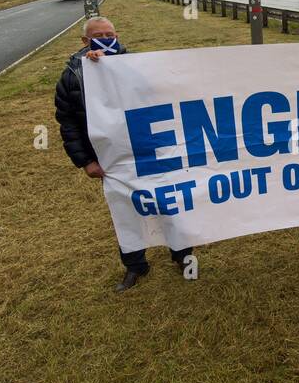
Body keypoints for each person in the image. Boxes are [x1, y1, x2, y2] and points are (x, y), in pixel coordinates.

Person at [53, 15, 194, 290]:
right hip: (111, 160)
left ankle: (183, 257)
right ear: (85, 41)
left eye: (110, 34)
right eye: (100, 36)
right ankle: (135, 266)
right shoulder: (72, 75)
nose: (107, 39)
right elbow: (68, 122)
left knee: (169, 204)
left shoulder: (135, 65)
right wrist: (85, 161)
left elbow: (159, 96)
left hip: (148, 150)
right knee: (126, 211)